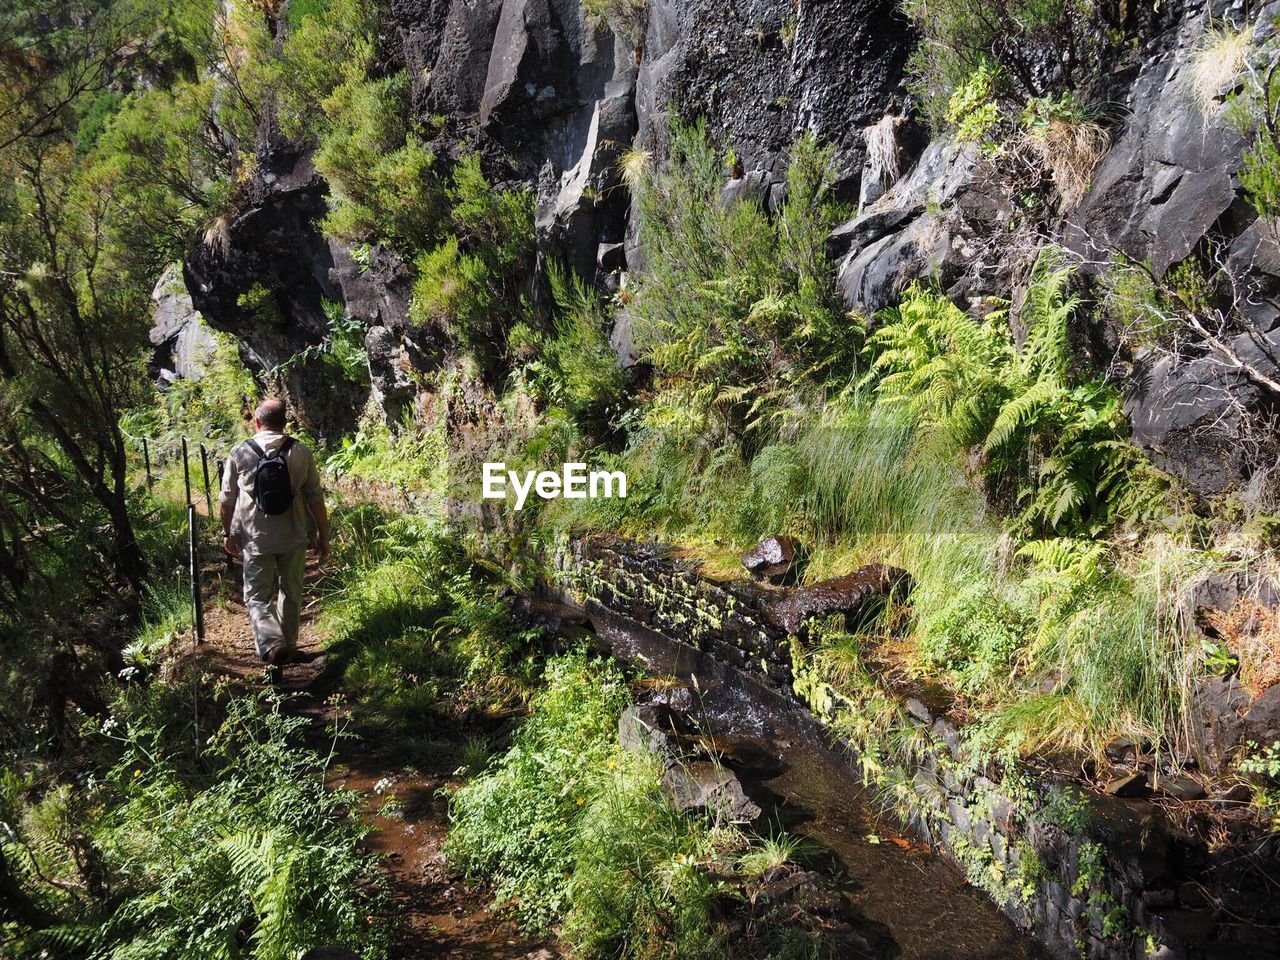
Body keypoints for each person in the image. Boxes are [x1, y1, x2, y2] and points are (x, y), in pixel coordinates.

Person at [219, 399, 331, 667]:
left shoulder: (240, 453)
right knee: (291, 593)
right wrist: (323, 535)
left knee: (257, 596)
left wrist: (227, 533)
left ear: (256, 423)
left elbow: (226, 500)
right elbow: (316, 498)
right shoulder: (301, 452)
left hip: (255, 537)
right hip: (294, 535)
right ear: (285, 423)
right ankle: (288, 648)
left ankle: (272, 644)